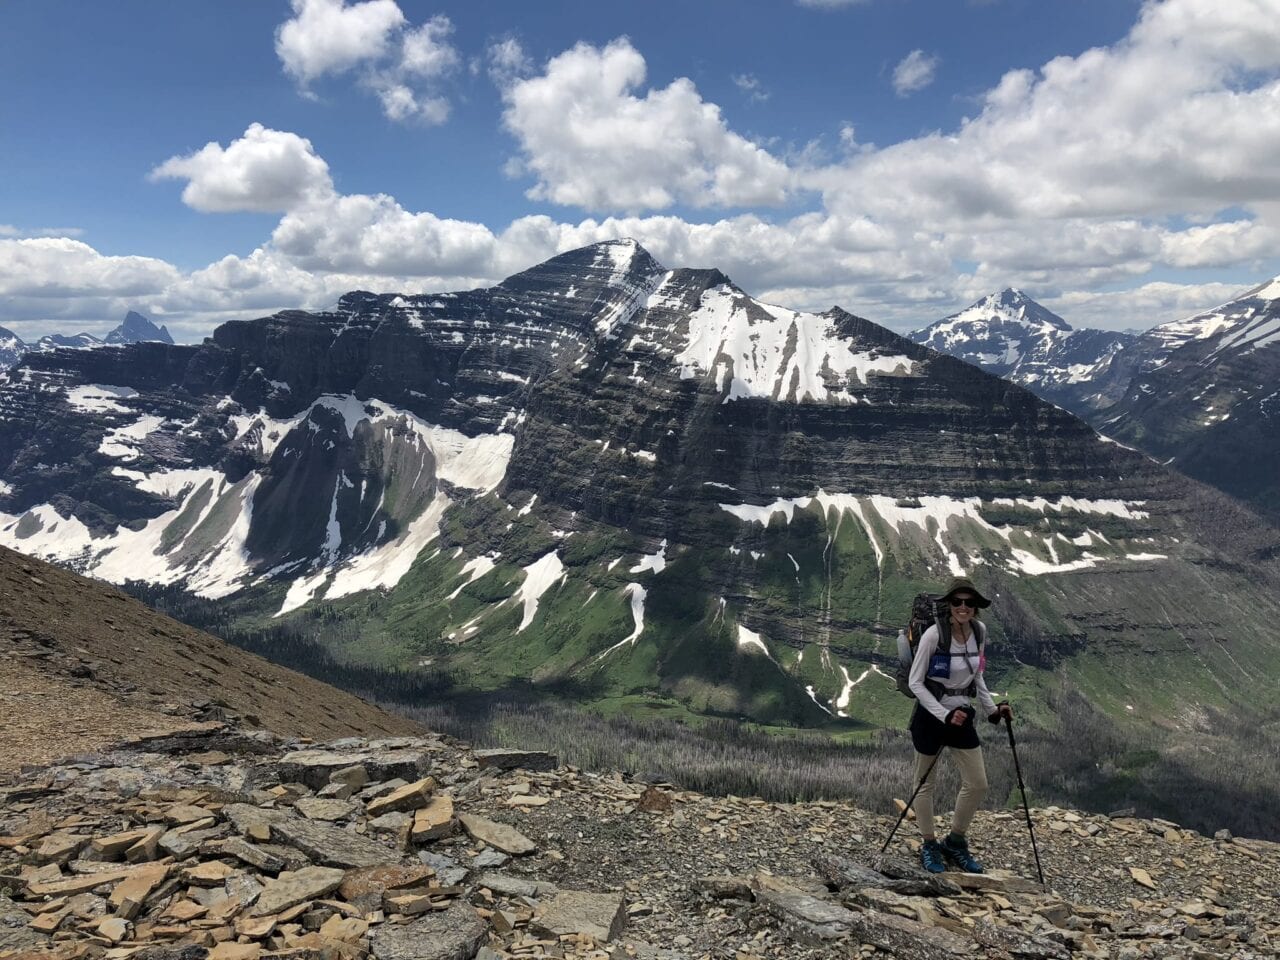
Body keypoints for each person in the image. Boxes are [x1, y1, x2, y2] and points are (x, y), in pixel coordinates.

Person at [907, 576, 1012, 873]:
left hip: (962, 713)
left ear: (976, 607)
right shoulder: (932, 635)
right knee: (924, 784)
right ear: (948, 605)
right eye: (957, 602)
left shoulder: (979, 632)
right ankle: (929, 844)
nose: (963, 607)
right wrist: (942, 714)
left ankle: (955, 840)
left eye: (968, 602)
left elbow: (976, 674)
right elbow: (916, 682)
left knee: (977, 783)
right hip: (931, 715)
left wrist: (993, 709)